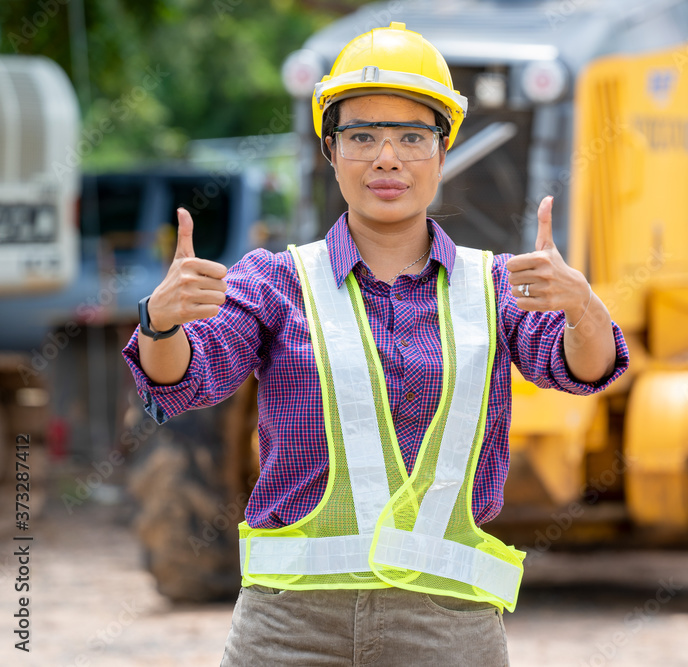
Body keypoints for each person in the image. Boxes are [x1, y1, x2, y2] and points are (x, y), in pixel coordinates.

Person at [122, 22, 628, 667]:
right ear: (331, 153)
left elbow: (584, 371)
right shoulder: (274, 281)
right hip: (288, 629)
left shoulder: (495, 288)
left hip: (449, 630)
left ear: (443, 154)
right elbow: (184, 380)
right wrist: (161, 325)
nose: (387, 158)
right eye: (362, 136)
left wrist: (583, 309)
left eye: (412, 137)